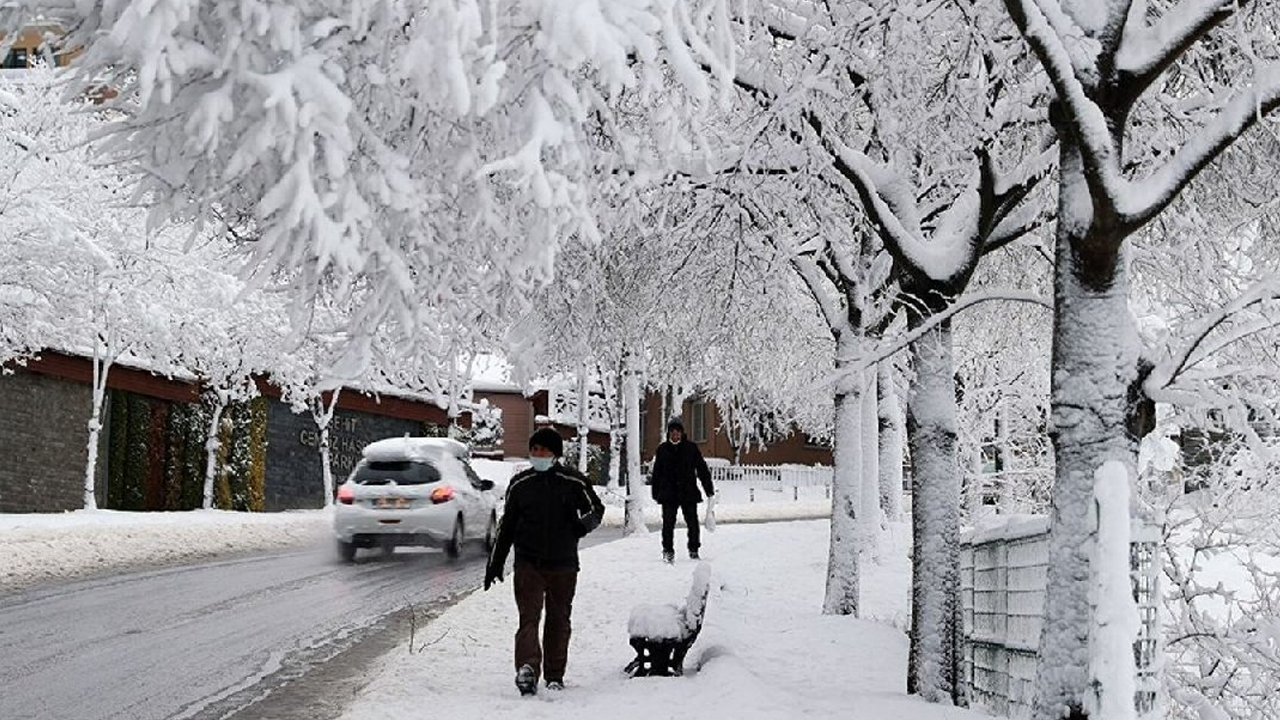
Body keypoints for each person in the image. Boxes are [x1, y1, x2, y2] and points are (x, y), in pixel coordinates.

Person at [484, 427, 605, 696]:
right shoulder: (520, 484)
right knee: (529, 618)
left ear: (555, 454)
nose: (538, 455)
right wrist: (496, 562)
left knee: (558, 619)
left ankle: (554, 674)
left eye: (544, 450)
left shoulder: (573, 482)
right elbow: (507, 526)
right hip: (528, 563)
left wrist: (579, 527)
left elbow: (597, 510)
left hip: (563, 564)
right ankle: (527, 669)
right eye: (534, 450)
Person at [649, 416, 714, 563]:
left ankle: (693, 550)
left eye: (678, 432)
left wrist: (708, 489)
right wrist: (656, 491)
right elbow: (657, 472)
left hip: (688, 492)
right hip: (668, 493)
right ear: (669, 433)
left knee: (693, 523)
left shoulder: (691, 448)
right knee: (667, 524)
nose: (675, 435)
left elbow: (702, 469)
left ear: (682, 433)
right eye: (672, 432)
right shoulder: (662, 450)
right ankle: (668, 551)